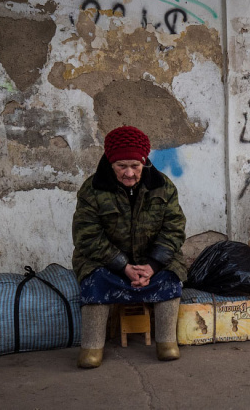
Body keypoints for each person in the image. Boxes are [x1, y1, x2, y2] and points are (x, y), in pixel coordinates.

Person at [72, 125, 187, 368]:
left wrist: (152, 265)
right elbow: (87, 236)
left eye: (135, 166)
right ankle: (92, 345)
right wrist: (123, 266)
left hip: (150, 260)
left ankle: (166, 341)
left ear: (144, 162)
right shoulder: (92, 189)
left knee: (172, 273)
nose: (129, 173)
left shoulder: (162, 186)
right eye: (121, 166)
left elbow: (174, 228)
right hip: (108, 261)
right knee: (94, 278)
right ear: (110, 163)